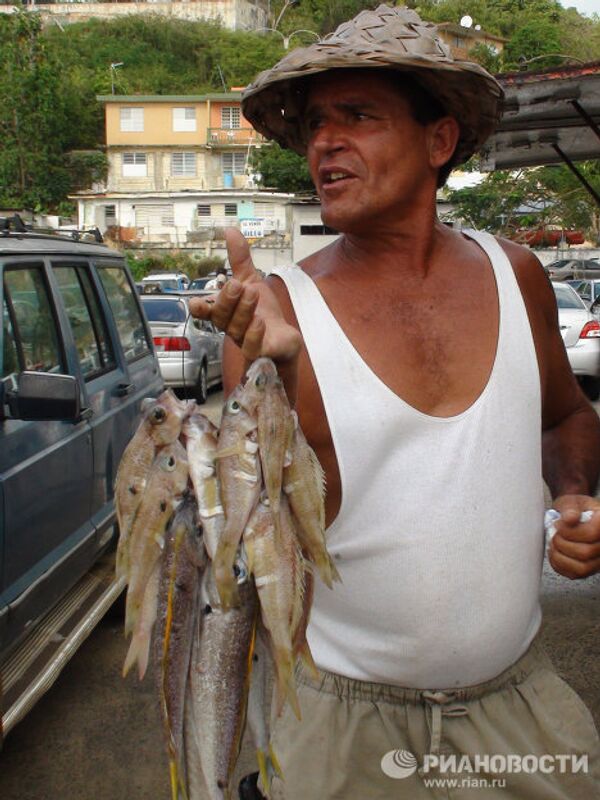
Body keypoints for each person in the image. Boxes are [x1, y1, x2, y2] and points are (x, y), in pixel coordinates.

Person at [190, 6, 600, 798]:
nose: (323, 143)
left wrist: (576, 496)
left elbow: (564, 415)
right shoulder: (274, 314)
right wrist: (286, 371)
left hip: (516, 697)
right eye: (314, 124)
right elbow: (283, 522)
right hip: (341, 724)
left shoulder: (516, 275)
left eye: (358, 116)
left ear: (438, 142)